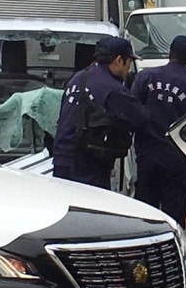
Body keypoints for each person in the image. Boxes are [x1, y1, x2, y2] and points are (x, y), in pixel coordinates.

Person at [131, 36, 186, 228]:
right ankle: (173, 254)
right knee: (174, 216)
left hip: (147, 154)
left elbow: (132, 111)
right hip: (178, 161)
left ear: (169, 54)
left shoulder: (145, 77)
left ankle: (143, 252)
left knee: (145, 212)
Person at [53, 36, 150, 190]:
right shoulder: (112, 88)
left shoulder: (78, 78)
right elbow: (141, 119)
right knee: (92, 209)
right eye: (129, 62)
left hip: (61, 157)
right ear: (119, 60)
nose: (128, 69)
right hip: (89, 164)